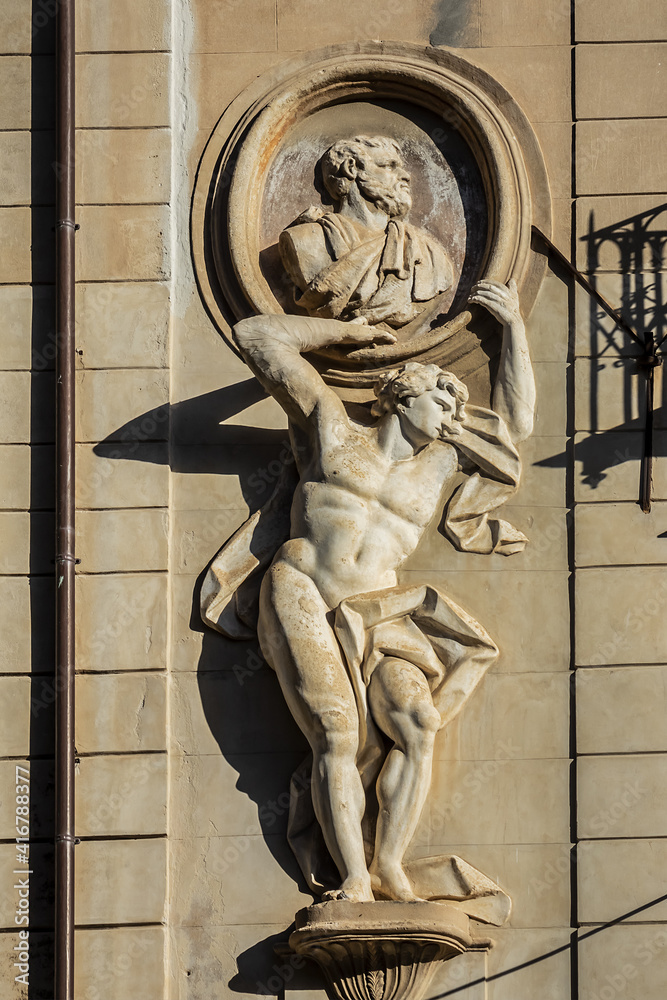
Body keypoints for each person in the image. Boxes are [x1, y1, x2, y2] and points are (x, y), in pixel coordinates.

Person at [208, 276, 535, 904]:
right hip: (303, 588)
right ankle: (353, 879)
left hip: (380, 612)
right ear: (404, 397)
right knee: (335, 733)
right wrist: (347, 333)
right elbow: (257, 337)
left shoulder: (436, 466)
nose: (454, 418)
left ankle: (389, 865)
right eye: (444, 401)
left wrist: (514, 329)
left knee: (416, 725)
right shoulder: (330, 429)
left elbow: (513, 427)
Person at [278, 134, 454, 328]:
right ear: (351, 168)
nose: (406, 175)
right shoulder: (304, 241)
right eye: (389, 165)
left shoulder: (427, 253)